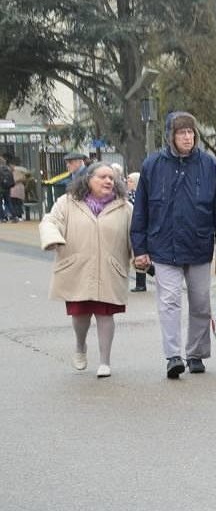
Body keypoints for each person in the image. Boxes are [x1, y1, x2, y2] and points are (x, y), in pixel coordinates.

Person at [131, 111, 216, 379]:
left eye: (190, 132)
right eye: (181, 132)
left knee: (201, 303)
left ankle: (196, 353)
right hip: (163, 247)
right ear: (171, 136)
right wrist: (139, 248)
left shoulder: (209, 164)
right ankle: (173, 355)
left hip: (199, 246)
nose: (187, 137)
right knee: (169, 302)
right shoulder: (153, 165)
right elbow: (140, 209)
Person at [38, 162, 133, 378]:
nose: (109, 181)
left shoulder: (124, 207)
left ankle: (104, 362)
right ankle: (80, 346)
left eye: (111, 178)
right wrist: (53, 238)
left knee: (105, 315)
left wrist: (141, 257)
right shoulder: (67, 202)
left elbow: (135, 234)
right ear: (88, 179)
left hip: (110, 268)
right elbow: (51, 221)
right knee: (80, 316)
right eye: (102, 177)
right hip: (78, 268)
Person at [125, 172, 147, 292]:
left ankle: (141, 283)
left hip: (138, 229)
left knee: (138, 253)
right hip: (130, 228)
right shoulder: (127, 195)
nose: (128, 183)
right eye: (127, 181)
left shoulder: (139, 195)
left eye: (131, 181)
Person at [0, 156, 16, 222]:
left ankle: (3, 217)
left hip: (1, 188)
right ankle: (14, 216)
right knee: (9, 202)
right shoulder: (8, 169)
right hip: (7, 188)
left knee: (0, 203)